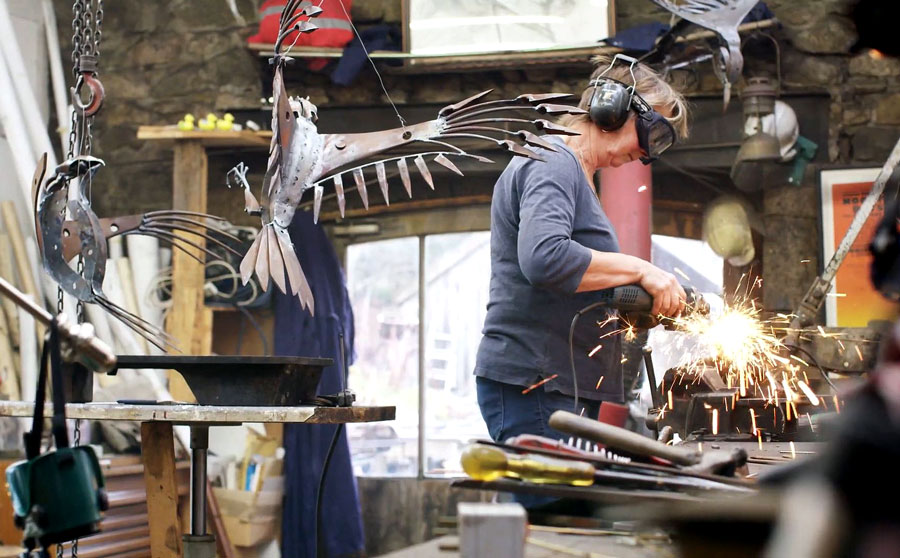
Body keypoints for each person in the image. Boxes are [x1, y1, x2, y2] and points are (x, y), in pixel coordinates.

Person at [474, 55, 690, 463]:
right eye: (650, 133)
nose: (646, 153)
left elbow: (577, 276)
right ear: (611, 110)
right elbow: (544, 258)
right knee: (555, 514)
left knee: (559, 514)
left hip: (553, 386)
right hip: (536, 384)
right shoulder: (555, 160)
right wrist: (642, 269)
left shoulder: (572, 171)